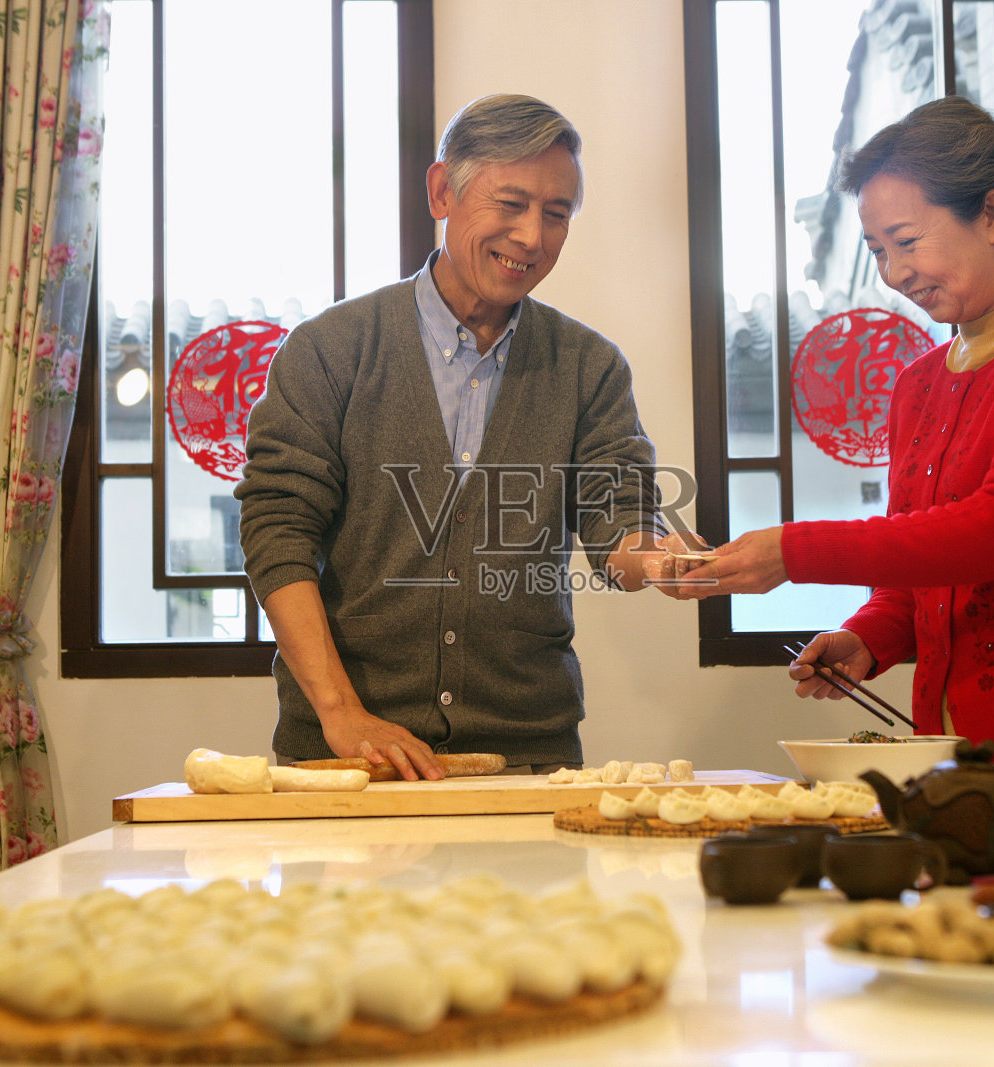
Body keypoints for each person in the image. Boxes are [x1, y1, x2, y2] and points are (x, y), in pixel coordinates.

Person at [675, 96, 994, 791]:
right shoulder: (919, 381)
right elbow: (918, 563)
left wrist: (793, 551)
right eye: (878, 251)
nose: (893, 273)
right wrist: (870, 636)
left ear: (992, 215)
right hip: (967, 756)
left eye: (907, 241)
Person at [236, 94, 698, 781]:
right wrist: (339, 711)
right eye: (509, 204)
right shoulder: (330, 349)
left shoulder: (589, 367)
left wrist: (662, 560)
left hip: (526, 757)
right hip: (348, 755)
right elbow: (277, 529)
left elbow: (617, 523)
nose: (532, 237)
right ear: (441, 191)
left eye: (557, 214)